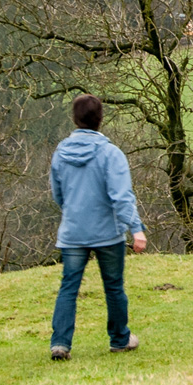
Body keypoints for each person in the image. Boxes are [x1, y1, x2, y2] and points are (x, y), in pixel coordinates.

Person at [49, 94, 147, 361]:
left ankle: (60, 344)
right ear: (101, 119)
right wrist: (136, 229)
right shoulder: (110, 154)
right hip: (107, 233)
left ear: (74, 118)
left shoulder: (61, 152)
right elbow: (122, 196)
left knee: (69, 286)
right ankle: (119, 339)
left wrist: (73, 212)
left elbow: (58, 193)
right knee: (113, 287)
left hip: (73, 232)